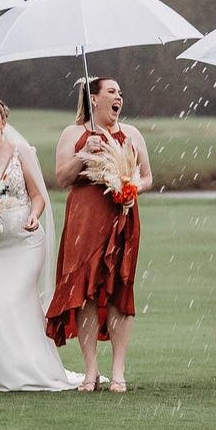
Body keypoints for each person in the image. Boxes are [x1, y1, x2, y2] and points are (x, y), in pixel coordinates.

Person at [0, 97, 82, 392]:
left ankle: (29, 370)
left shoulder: (20, 152)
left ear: (3, 121)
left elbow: (37, 196)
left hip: (24, 243)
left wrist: (34, 216)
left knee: (15, 302)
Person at [47, 77, 152, 393]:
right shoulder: (74, 133)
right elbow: (62, 177)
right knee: (86, 290)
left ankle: (118, 369)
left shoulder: (131, 134)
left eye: (120, 92)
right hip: (85, 215)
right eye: (111, 92)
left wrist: (133, 187)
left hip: (122, 215)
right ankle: (91, 369)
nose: (118, 97)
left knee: (120, 287)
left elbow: (147, 176)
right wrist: (83, 154)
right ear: (93, 99)